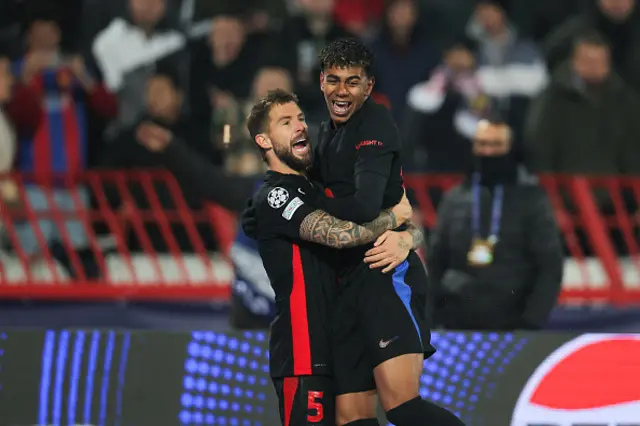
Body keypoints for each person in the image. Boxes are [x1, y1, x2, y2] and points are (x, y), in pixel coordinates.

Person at [244, 38, 464, 426]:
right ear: (322, 81)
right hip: (345, 292)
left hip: (383, 274)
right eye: (334, 80)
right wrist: (399, 223)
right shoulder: (324, 140)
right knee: (351, 417)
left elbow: (364, 208)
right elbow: (365, 216)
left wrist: (405, 235)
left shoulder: (374, 124)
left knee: (401, 405)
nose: (341, 90)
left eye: (352, 81)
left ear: (369, 86)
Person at [245, 89, 415, 426]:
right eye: (285, 122)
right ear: (263, 140)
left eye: (301, 118)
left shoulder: (316, 190)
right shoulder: (276, 194)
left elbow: (405, 225)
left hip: (342, 343)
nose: (300, 127)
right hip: (304, 351)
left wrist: (408, 237)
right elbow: (340, 236)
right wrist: (394, 218)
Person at [428, 119, 563, 330]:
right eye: (482, 144)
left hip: (512, 320)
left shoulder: (531, 199)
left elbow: (550, 264)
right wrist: (432, 316)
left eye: (496, 145)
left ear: (510, 149)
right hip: (457, 320)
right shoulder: (454, 198)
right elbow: (436, 261)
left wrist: (531, 321)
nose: (488, 152)